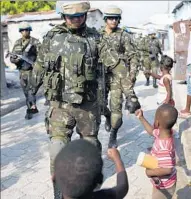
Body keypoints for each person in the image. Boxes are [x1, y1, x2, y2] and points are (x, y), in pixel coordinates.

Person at [31, 1, 102, 198]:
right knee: (57, 149)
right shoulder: (53, 37)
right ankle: (59, 192)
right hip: (60, 106)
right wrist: (31, 94)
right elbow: (39, 65)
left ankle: (90, 188)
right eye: (72, 17)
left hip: (87, 106)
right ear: (63, 17)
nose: (77, 20)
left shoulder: (96, 38)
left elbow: (110, 70)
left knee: (90, 148)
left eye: (80, 16)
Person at [99, 5, 141, 149]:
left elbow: (133, 56)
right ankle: (107, 116)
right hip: (101, 76)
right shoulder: (98, 35)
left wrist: (132, 74)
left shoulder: (124, 35)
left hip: (118, 76)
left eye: (116, 18)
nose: (113, 21)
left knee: (116, 106)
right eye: (110, 18)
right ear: (105, 19)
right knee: (100, 105)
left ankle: (113, 134)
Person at [54, 139, 129, 199]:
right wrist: (117, 159)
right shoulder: (103, 196)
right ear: (100, 180)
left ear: (54, 178)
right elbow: (123, 187)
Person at [135, 104, 177, 199]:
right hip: (160, 182)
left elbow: (168, 169)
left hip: (165, 186)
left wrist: (149, 173)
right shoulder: (164, 132)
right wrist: (141, 118)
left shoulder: (164, 147)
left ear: (157, 123)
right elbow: (151, 131)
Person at [9, 22, 40, 120]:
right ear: (20, 32)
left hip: (32, 71)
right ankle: (32, 106)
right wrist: (15, 60)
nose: (25, 32)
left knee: (31, 91)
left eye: (27, 30)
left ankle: (31, 109)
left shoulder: (35, 42)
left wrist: (37, 64)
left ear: (30, 30)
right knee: (26, 92)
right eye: (23, 30)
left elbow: (42, 55)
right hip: (22, 72)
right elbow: (12, 57)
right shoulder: (17, 43)